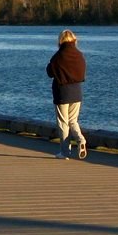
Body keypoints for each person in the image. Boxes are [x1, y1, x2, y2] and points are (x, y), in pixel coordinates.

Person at [46, 29, 87, 160]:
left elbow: (49, 72)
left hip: (62, 92)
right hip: (76, 92)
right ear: (74, 40)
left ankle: (65, 152)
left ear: (60, 41)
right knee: (73, 121)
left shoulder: (58, 56)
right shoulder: (79, 55)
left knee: (63, 123)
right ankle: (80, 139)